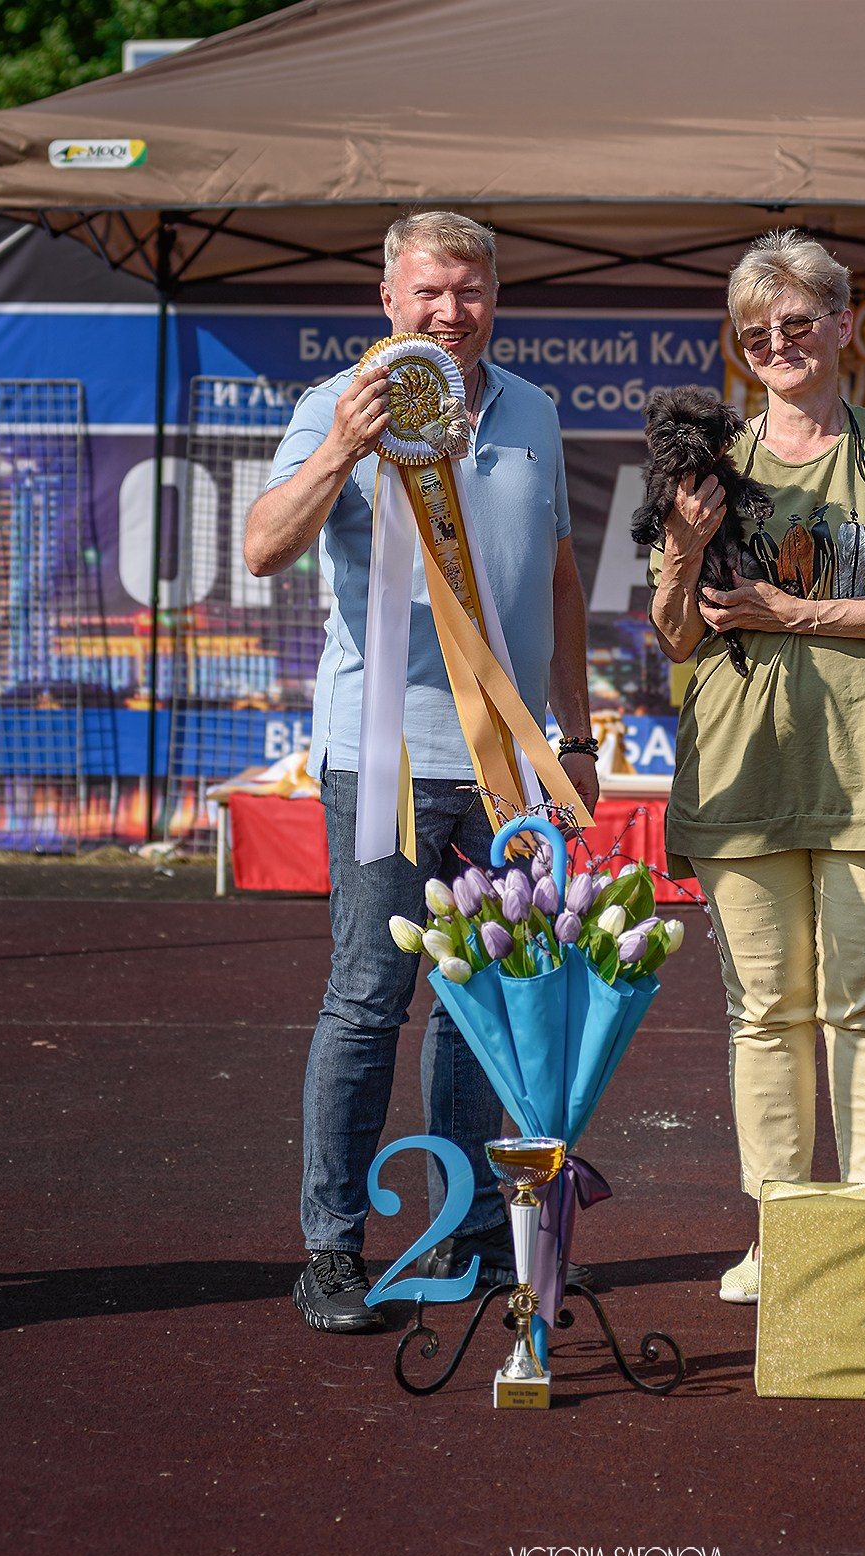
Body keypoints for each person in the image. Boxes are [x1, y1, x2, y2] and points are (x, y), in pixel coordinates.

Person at [245, 211, 600, 1334]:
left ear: (496, 296)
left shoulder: (534, 409)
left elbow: (557, 580)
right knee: (368, 999)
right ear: (387, 299)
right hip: (387, 759)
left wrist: (577, 738)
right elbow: (262, 547)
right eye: (429, 292)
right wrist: (345, 449)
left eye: (471, 291)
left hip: (510, 767)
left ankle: (468, 1231)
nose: (451, 312)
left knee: (483, 1007)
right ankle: (333, 1249)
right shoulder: (335, 403)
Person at [649, 230, 865, 1305]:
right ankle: (782, 1232)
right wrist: (687, 548)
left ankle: (864, 1241)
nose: (777, 343)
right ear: (739, 346)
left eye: (797, 321)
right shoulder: (709, 458)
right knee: (763, 1011)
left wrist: (792, 611)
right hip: (742, 772)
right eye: (756, 331)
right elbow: (676, 638)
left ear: (841, 323)